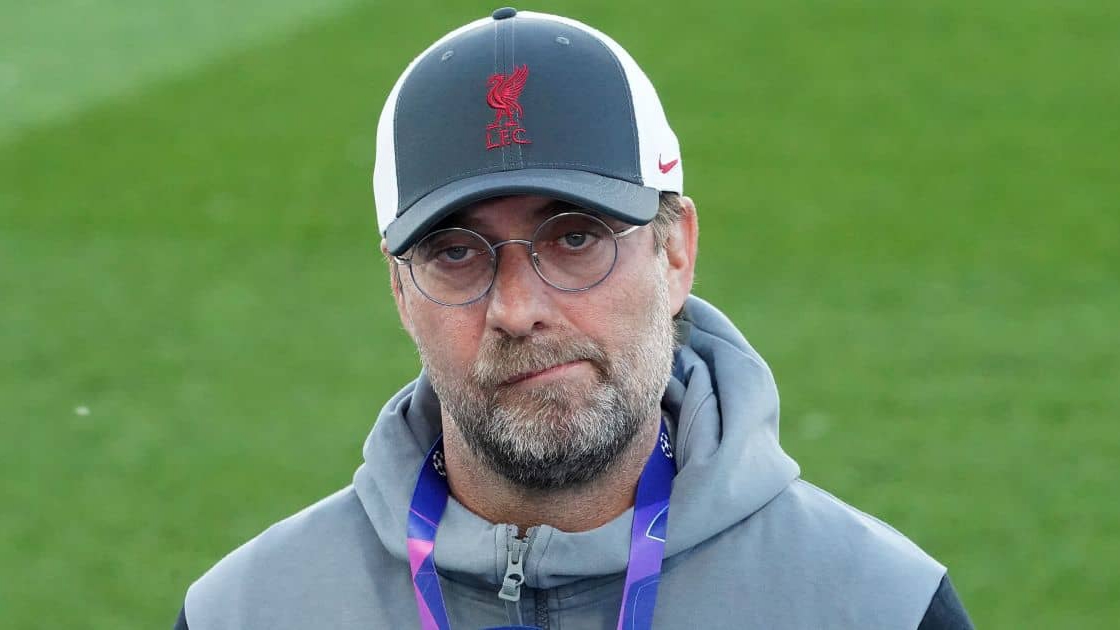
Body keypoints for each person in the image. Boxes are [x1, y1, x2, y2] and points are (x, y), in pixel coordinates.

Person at [175, 8, 973, 629]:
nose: (517, 309)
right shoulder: (245, 615)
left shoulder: (878, 608)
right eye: (456, 252)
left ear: (675, 253)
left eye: (576, 238)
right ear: (399, 291)